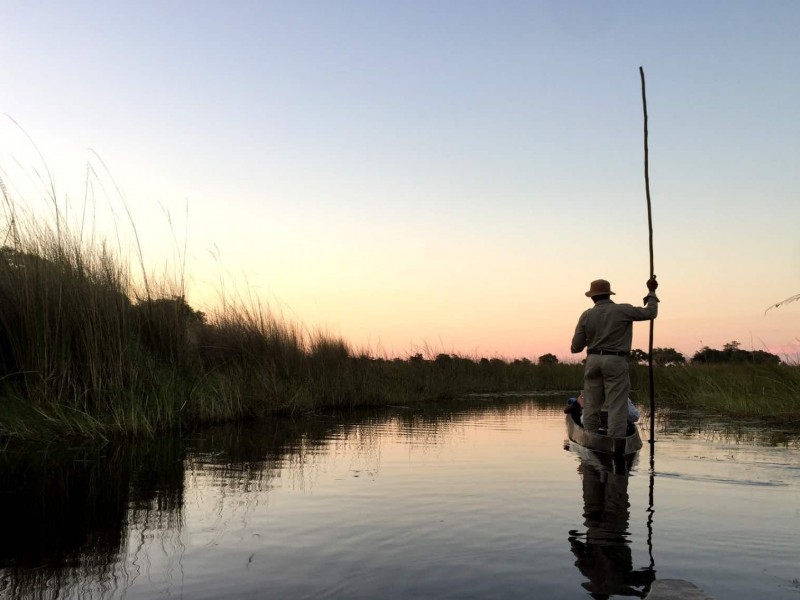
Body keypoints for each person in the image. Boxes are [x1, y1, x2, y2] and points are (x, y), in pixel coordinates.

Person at [570, 277, 658, 438]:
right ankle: (616, 441)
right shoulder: (622, 310)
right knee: (617, 404)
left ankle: (590, 439)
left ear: (592, 297)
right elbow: (651, 312)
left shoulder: (586, 315)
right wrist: (651, 292)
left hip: (593, 361)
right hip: (616, 360)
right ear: (609, 295)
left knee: (591, 404)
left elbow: (576, 347)